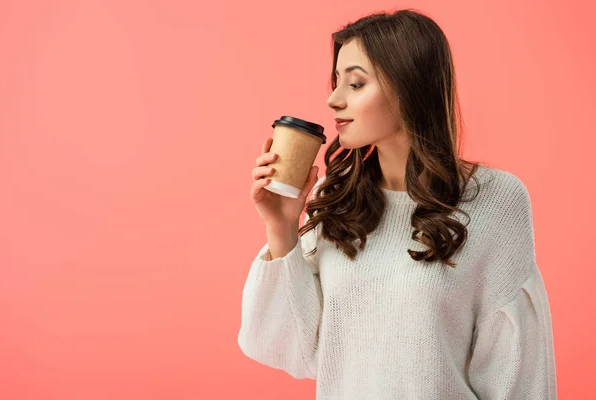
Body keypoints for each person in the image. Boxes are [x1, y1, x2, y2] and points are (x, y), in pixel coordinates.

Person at [238, 8, 557, 400]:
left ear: (409, 86)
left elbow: (517, 371)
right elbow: (296, 350)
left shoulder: (497, 201)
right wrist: (282, 225)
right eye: (336, 82)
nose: (333, 99)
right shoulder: (334, 199)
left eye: (355, 84)